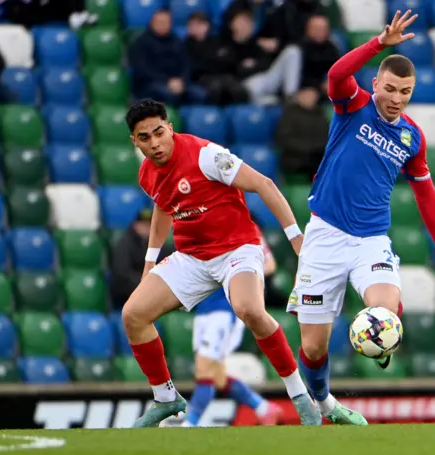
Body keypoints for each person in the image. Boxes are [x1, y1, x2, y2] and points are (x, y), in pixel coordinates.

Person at [286, 10, 435, 425]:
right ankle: (325, 402)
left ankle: (382, 342)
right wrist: (378, 44)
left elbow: (425, 190)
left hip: (371, 241)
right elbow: (336, 73)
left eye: (406, 92)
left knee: (384, 316)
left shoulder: (412, 136)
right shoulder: (353, 106)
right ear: (376, 83)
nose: (397, 99)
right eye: (392, 89)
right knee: (311, 348)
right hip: (324, 237)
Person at [123, 99, 320, 428]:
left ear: (170, 128)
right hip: (193, 257)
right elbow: (163, 205)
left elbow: (264, 185)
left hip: (237, 250)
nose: (154, 143)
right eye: (145, 138)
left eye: (159, 132)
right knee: (133, 315)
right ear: (135, 141)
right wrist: (150, 260)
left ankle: (300, 396)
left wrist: (295, 237)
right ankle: (165, 398)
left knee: (251, 310)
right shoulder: (146, 172)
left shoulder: (206, 155)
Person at [182, 228, 282, 427]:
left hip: (224, 310)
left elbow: (270, 265)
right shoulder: (203, 223)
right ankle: (263, 408)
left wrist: (242, 275)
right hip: (203, 309)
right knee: (216, 376)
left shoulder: (246, 228)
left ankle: (190, 424)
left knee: (204, 368)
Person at [109, 207, 175, 310]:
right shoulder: (125, 244)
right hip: (125, 296)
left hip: (147, 291)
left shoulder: (152, 243)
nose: (146, 228)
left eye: (149, 225)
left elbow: (168, 254)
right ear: (135, 225)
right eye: (143, 225)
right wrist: (147, 285)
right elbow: (122, 273)